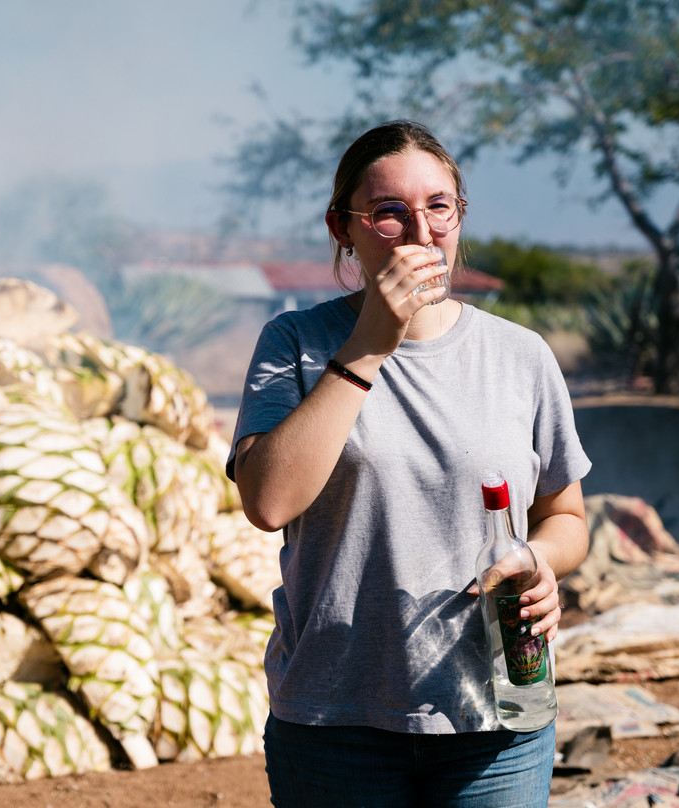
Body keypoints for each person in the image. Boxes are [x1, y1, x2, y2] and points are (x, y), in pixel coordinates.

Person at [226, 119, 591, 807]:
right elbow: (268, 501)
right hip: (336, 722)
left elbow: (565, 514)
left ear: (459, 217)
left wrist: (541, 561)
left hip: (498, 713)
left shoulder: (521, 356)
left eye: (438, 206)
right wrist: (369, 343)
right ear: (344, 228)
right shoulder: (296, 343)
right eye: (389, 212)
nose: (421, 231)